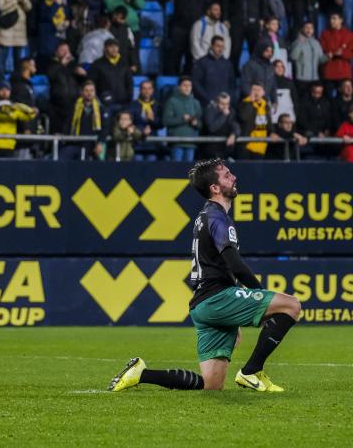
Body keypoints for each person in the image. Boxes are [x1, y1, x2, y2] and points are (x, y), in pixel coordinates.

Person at [108, 158, 301, 393]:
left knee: (211, 385)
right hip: (217, 298)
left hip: (203, 305)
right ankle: (251, 371)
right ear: (215, 188)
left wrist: (234, 315)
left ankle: (141, 373)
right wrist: (257, 293)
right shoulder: (217, 217)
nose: (234, 177)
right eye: (227, 175)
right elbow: (235, 264)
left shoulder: (204, 216)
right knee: (291, 305)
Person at [0, 81, 37, 157]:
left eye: (7, 90)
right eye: (2, 89)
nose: (4, 92)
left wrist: (16, 106)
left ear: (10, 91)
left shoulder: (14, 107)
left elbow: (30, 115)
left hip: (9, 145)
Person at [223, 0, 268, 74]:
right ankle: (233, 73)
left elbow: (263, 0)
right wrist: (225, 18)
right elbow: (226, 1)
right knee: (235, 49)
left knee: (254, 50)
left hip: (254, 22)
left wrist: (263, 17)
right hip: (236, 22)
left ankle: (255, 73)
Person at [47, 41, 86, 134]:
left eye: (67, 50)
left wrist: (83, 74)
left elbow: (83, 80)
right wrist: (62, 64)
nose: (65, 53)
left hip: (73, 103)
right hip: (57, 105)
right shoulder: (51, 64)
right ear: (56, 52)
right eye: (62, 50)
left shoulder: (73, 65)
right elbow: (51, 75)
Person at [162, 76, 202, 162]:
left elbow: (201, 124)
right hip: (176, 143)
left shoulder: (196, 103)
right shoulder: (172, 101)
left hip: (191, 143)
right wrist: (183, 119)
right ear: (179, 87)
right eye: (184, 85)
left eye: (189, 85)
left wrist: (196, 123)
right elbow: (166, 121)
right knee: (176, 172)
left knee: (188, 172)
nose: (187, 88)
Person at [87, 38, 133, 113]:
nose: (114, 49)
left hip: (123, 104)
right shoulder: (97, 64)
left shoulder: (124, 64)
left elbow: (129, 83)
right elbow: (91, 83)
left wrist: (129, 99)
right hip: (105, 105)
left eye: (116, 46)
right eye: (111, 46)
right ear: (105, 48)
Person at [191, 35, 235, 108]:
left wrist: (227, 99)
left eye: (222, 47)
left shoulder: (228, 64)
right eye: (218, 46)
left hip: (224, 104)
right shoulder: (201, 63)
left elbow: (232, 84)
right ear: (211, 46)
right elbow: (196, 83)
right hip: (206, 104)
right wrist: (208, 99)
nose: (220, 49)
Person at [237, 82, 279, 159]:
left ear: (263, 92)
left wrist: (272, 132)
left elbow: (269, 122)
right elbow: (244, 117)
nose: (256, 92)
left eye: (258, 90)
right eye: (254, 89)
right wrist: (250, 102)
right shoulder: (244, 103)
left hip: (261, 146)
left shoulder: (266, 105)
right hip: (247, 146)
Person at [67, 80, 106, 160]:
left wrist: (100, 142)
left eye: (92, 90)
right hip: (76, 144)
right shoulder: (75, 107)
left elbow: (105, 127)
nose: (89, 93)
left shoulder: (101, 109)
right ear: (82, 92)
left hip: (94, 145)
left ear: (95, 92)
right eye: (86, 90)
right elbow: (68, 124)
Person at [297, 81, 336, 158]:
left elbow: (329, 118)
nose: (317, 95)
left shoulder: (326, 103)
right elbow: (303, 121)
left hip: (323, 132)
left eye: (320, 93)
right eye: (315, 92)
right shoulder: (304, 102)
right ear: (311, 91)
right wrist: (317, 132)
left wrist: (327, 129)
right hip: (309, 131)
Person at [0, 0, 32, 72]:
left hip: (20, 30)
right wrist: (15, 0)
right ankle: (1, 79)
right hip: (7, 27)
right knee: (3, 58)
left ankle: (18, 78)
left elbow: (29, 7)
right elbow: (0, 7)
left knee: (19, 60)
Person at [320, 11, 353, 97]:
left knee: (344, 98)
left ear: (341, 20)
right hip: (329, 71)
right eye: (331, 19)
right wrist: (336, 52)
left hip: (344, 72)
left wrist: (342, 52)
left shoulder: (349, 35)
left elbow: (350, 53)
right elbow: (323, 50)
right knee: (329, 98)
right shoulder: (324, 34)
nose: (332, 21)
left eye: (334, 18)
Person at [289, 21, 326, 98]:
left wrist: (328, 56)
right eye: (307, 28)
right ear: (302, 29)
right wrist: (301, 42)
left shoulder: (316, 43)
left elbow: (320, 60)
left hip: (315, 78)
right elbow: (293, 57)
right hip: (302, 79)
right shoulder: (297, 42)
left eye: (311, 28)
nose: (309, 30)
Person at [37, 0, 71, 72]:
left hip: (59, 37)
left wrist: (66, 22)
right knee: (46, 63)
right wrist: (55, 5)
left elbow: (66, 14)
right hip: (47, 39)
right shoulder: (44, 4)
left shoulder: (61, 5)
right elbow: (48, 16)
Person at [128, 79, 162, 161]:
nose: (147, 91)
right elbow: (129, 122)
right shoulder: (133, 105)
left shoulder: (158, 105)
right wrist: (141, 131)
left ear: (152, 90)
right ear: (140, 90)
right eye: (144, 88)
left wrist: (152, 120)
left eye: (149, 88)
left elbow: (161, 124)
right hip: (137, 144)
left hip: (152, 144)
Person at [202, 92, 240, 160]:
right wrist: (224, 116)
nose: (225, 106)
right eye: (222, 104)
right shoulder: (210, 110)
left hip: (224, 149)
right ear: (217, 102)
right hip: (211, 150)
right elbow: (212, 128)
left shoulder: (231, 111)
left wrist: (234, 134)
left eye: (227, 104)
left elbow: (235, 125)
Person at [240, 38, 278, 106]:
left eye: (271, 51)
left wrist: (274, 100)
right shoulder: (250, 65)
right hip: (251, 104)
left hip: (265, 104)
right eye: (267, 50)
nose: (270, 53)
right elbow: (245, 84)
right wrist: (254, 97)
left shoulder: (271, 67)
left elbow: (273, 85)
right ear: (261, 50)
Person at [10, 57, 39, 134]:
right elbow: (20, 106)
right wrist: (26, 127)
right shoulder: (19, 85)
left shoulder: (27, 84)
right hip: (23, 127)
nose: (35, 68)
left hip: (30, 123)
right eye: (33, 65)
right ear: (27, 66)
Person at [109, 5, 138, 73]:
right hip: (109, 62)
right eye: (121, 17)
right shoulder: (108, 27)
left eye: (123, 18)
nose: (122, 20)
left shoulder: (127, 29)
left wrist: (134, 63)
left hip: (123, 62)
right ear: (114, 15)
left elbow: (132, 47)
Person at [272, 59, 298, 123]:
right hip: (273, 117)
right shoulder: (269, 83)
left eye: (282, 66)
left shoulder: (289, 83)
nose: (280, 68)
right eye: (277, 66)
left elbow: (295, 100)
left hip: (288, 116)